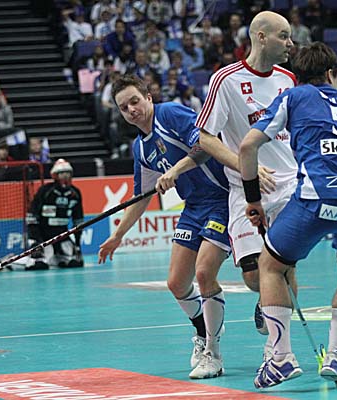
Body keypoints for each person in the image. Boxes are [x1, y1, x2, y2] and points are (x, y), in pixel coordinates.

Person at [238, 42, 337, 389]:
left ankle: (280, 359)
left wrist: (253, 200)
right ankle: (336, 358)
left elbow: (248, 146)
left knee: (272, 266)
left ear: (298, 76)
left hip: (315, 198)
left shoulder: (293, 97)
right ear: (334, 73)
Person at [98, 74, 230, 379]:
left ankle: (213, 353)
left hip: (223, 199)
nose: (131, 110)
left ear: (148, 97)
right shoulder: (140, 149)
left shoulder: (170, 114)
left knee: (204, 273)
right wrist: (118, 235)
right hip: (193, 207)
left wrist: (175, 170)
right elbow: (141, 197)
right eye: (123, 108)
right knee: (177, 283)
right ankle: (202, 330)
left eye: (134, 101)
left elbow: (207, 144)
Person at [195, 11, 298, 345]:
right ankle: (264, 300)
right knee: (255, 276)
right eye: (283, 36)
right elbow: (206, 138)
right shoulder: (225, 80)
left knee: (285, 267)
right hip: (247, 190)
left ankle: (279, 350)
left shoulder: (288, 79)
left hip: (290, 187)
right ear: (261, 37)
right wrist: (247, 168)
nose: (290, 43)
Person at [24, 159, 85, 270]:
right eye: (62, 174)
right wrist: (35, 241)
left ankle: (58, 255)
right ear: (55, 176)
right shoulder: (45, 191)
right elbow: (32, 216)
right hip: (42, 236)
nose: (65, 177)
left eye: (68, 173)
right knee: (39, 265)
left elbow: (78, 220)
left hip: (61, 235)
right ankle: (13, 262)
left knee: (76, 262)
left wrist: (77, 244)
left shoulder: (75, 193)